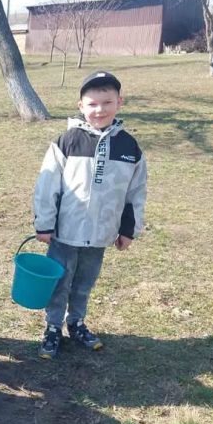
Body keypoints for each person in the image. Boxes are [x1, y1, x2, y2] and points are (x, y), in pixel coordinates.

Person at [33, 71, 148, 359]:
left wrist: (127, 230)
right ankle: (52, 327)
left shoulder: (129, 148)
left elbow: (135, 193)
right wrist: (44, 224)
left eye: (107, 102)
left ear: (119, 103)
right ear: (81, 106)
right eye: (92, 104)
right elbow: (47, 186)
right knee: (60, 282)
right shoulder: (67, 141)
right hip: (65, 233)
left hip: (100, 234)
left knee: (84, 283)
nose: (100, 110)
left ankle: (77, 322)